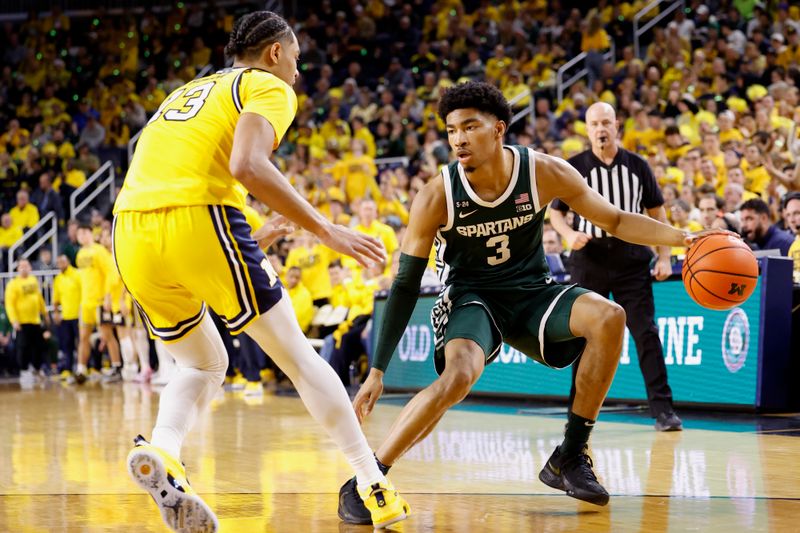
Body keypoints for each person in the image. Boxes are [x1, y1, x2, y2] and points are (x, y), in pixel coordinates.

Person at [337, 82, 712, 524]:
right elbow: (404, 284)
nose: (458, 138)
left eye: (470, 127)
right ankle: (370, 477)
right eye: (451, 129)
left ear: (498, 130)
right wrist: (377, 369)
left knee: (610, 317)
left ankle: (570, 455)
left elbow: (612, 218)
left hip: (533, 289)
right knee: (459, 375)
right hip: (472, 296)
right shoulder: (437, 194)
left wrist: (683, 238)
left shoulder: (543, 171)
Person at [113, 11, 408, 532]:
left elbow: (177, 173)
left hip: (130, 233)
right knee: (299, 358)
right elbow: (246, 166)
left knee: (203, 364)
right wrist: (326, 229)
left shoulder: (188, 92)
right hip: (198, 219)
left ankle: (164, 453)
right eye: (295, 59)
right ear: (275, 53)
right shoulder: (267, 86)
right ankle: (373, 483)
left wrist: (250, 234)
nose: (297, 72)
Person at [550, 102, 684, 432]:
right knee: (582, 339)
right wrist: (568, 235)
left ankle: (663, 410)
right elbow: (555, 212)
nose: (601, 129)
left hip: (631, 260)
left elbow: (657, 214)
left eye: (606, 122)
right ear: (586, 128)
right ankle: (576, 414)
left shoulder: (638, 166)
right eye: (594, 123)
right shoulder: (575, 166)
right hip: (589, 258)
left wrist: (664, 255)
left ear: (617, 125)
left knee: (646, 333)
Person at [74, 223, 123, 384]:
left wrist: (108, 296)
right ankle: (81, 370)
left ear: (90, 233)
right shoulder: (80, 253)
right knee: (83, 337)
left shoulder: (99, 250)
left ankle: (116, 368)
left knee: (107, 335)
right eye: (79, 234)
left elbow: (111, 273)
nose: (82, 236)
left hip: (99, 301)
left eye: (84, 232)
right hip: (85, 302)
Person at [4, 259, 51, 386]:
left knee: (38, 347)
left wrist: (45, 313)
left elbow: (39, 298)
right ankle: (24, 371)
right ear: (18, 269)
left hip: (35, 320)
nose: (24, 268)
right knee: (23, 348)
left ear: (30, 268)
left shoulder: (33, 280)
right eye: (21, 266)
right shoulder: (13, 284)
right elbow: (10, 305)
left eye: (26, 266)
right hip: (22, 322)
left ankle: (37, 369)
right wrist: (14, 320)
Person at [53, 253, 81, 380]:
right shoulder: (58, 279)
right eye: (58, 263)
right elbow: (55, 299)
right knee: (67, 344)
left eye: (63, 262)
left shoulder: (77, 274)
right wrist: (56, 313)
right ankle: (68, 369)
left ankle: (86, 367)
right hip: (66, 316)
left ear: (68, 261)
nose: (61, 264)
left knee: (81, 342)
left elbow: (83, 293)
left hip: (79, 315)